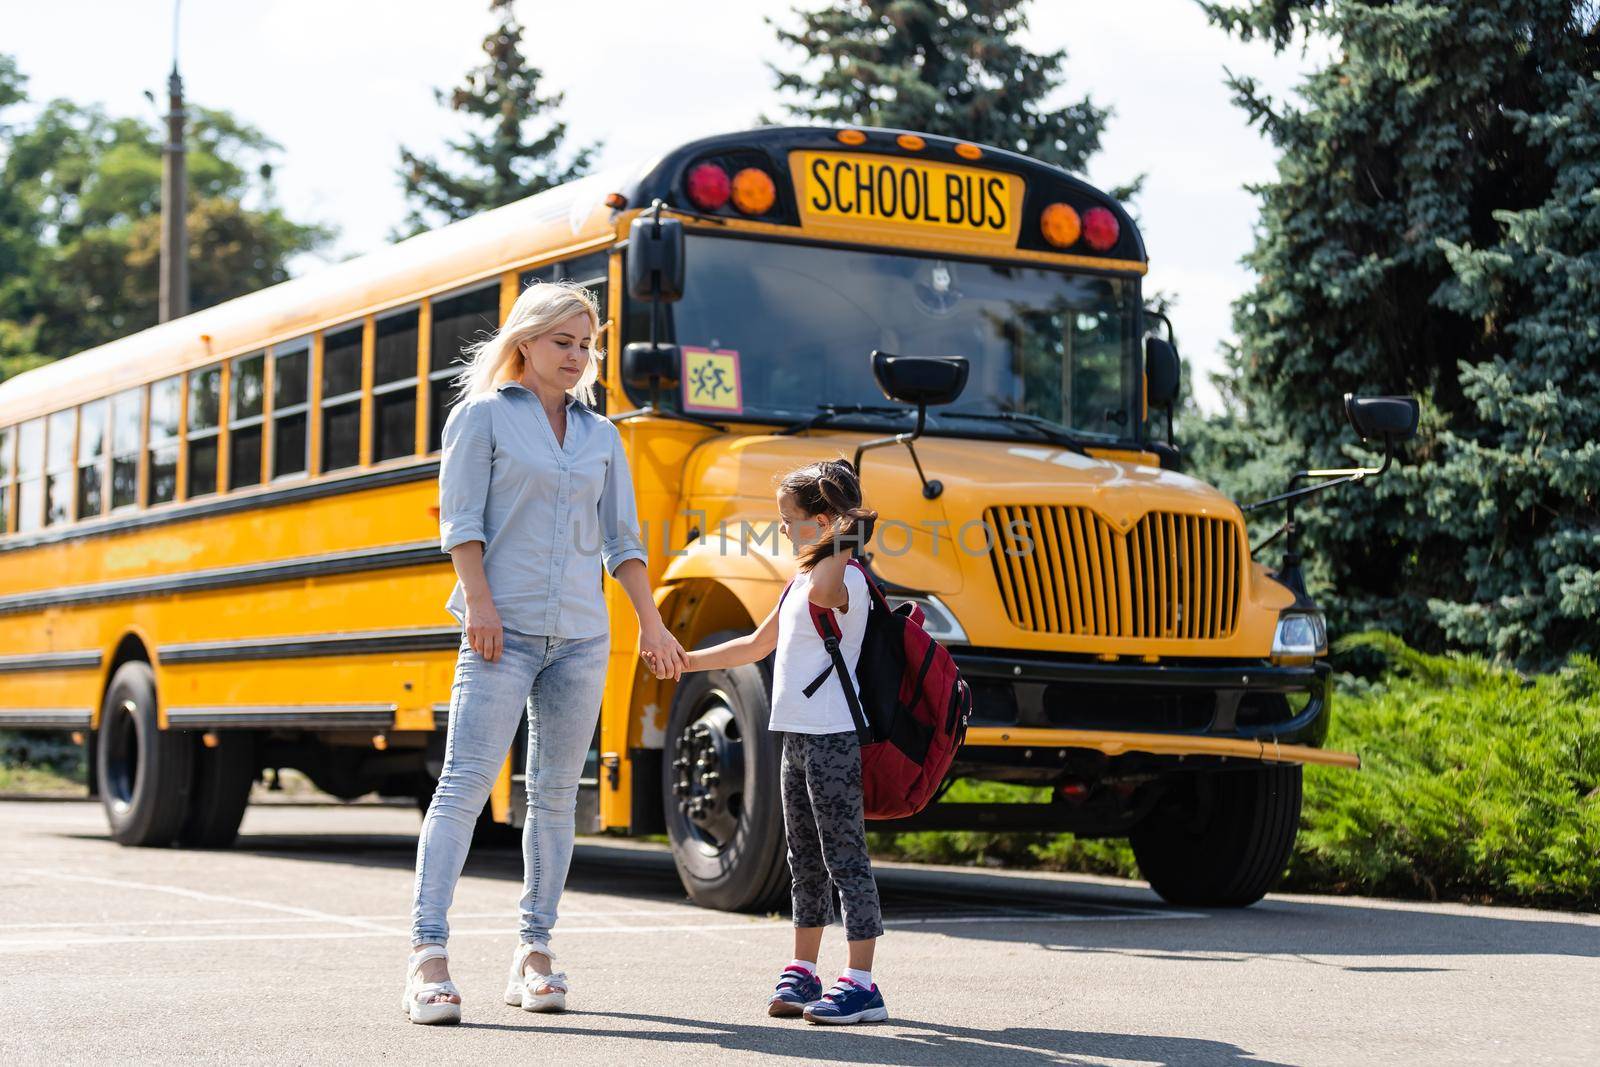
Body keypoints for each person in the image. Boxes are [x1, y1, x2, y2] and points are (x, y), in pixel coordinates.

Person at [402, 281, 687, 1025]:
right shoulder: (483, 417)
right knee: (464, 786)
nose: (577, 356)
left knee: (556, 797)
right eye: (563, 341)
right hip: (503, 629)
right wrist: (481, 607)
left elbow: (624, 542)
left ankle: (535, 951)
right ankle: (427, 956)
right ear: (525, 341)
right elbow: (461, 523)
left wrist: (650, 625)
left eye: (586, 344)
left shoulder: (603, 436)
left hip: (582, 637)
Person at [680, 459, 889, 1025]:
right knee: (803, 859)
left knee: (845, 855)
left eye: (791, 520)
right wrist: (685, 660)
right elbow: (754, 645)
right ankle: (804, 970)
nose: (782, 531)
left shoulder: (844, 579)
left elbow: (825, 595)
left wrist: (842, 536)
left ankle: (863, 983)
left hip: (834, 737)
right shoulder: (801, 578)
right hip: (795, 736)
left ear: (824, 521)